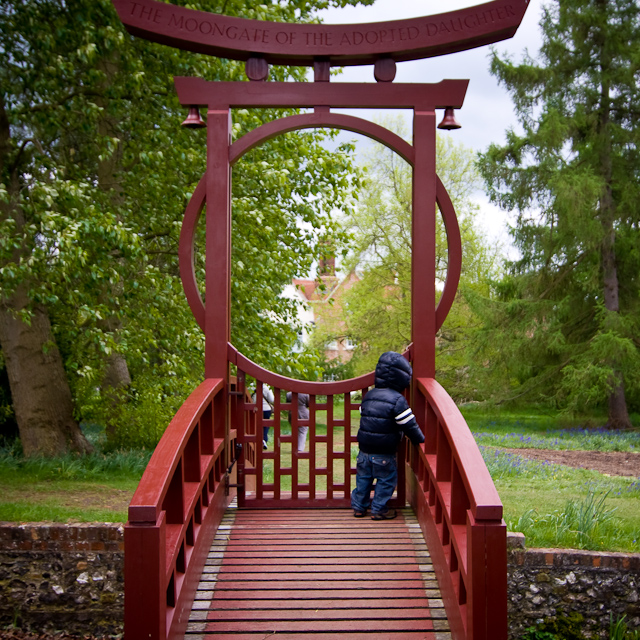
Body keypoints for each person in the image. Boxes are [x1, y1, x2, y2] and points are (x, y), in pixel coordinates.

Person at [351, 351, 425, 521]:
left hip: (364, 451)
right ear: (402, 378)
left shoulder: (369, 396)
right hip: (384, 452)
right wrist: (420, 439)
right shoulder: (397, 400)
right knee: (386, 480)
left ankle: (359, 507)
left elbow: (363, 412)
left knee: (363, 479)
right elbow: (409, 424)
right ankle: (378, 509)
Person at [254, 383, 274, 450]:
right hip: (266, 409)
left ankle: (257, 440)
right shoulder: (267, 388)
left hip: (257, 409)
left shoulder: (253, 388)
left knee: (257, 425)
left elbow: (253, 400)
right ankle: (264, 440)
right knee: (265, 426)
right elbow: (272, 400)